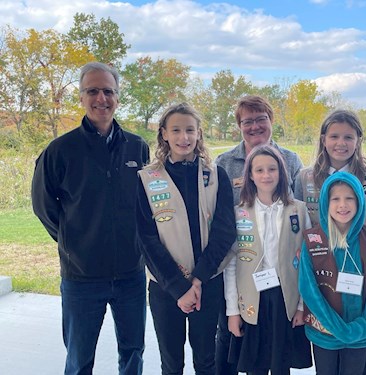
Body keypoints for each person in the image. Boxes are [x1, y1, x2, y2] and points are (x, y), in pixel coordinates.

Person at [31, 62, 149, 374]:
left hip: (131, 275)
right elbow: (44, 206)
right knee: (79, 359)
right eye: (92, 91)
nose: (101, 98)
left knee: (134, 353)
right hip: (81, 277)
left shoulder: (138, 147)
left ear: (118, 97)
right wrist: (76, 241)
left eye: (108, 91)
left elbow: (148, 204)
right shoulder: (60, 150)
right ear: (81, 97)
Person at [136, 103, 236, 374]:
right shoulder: (146, 179)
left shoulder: (215, 175)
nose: (184, 137)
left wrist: (198, 279)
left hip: (207, 282)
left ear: (199, 133)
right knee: (171, 363)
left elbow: (225, 230)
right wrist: (179, 288)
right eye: (176, 130)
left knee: (206, 359)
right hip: (165, 286)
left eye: (190, 130)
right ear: (164, 134)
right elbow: (146, 238)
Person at [294, 109, 366, 370]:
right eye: (334, 136)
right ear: (323, 139)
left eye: (348, 136)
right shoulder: (305, 177)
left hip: (363, 265)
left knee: (358, 362)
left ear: (358, 140)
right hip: (322, 269)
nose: (341, 143)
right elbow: (299, 221)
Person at [215, 95, 303, 374]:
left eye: (260, 119)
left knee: (279, 359)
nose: (254, 126)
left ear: (271, 120)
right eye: (247, 121)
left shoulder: (291, 159)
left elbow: (298, 227)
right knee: (237, 349)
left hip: (283, 288)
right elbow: (229, 249)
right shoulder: (225, 162)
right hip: (245, 278)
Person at [224, 144, 312, 374]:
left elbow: (306, 262)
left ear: (281, 173)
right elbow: (232, 265)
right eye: (259, 170)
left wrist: (302, 306)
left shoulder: (298, 211)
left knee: (281, 364)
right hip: (253, 299)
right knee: (256, 365)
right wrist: (232, 311)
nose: (266, 175)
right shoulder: (238, 213)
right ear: (250, 176)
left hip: (286, 300)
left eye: (272, 169)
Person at [298, 172, 366, 375]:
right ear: (325, 203)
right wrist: (337, 328)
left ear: (359, 201)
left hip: (360, 331)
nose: (342, 205)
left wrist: (362, 325)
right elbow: (308, 287)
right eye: (335, 199)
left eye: (349, 198)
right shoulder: (313, 241)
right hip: (325, 333)